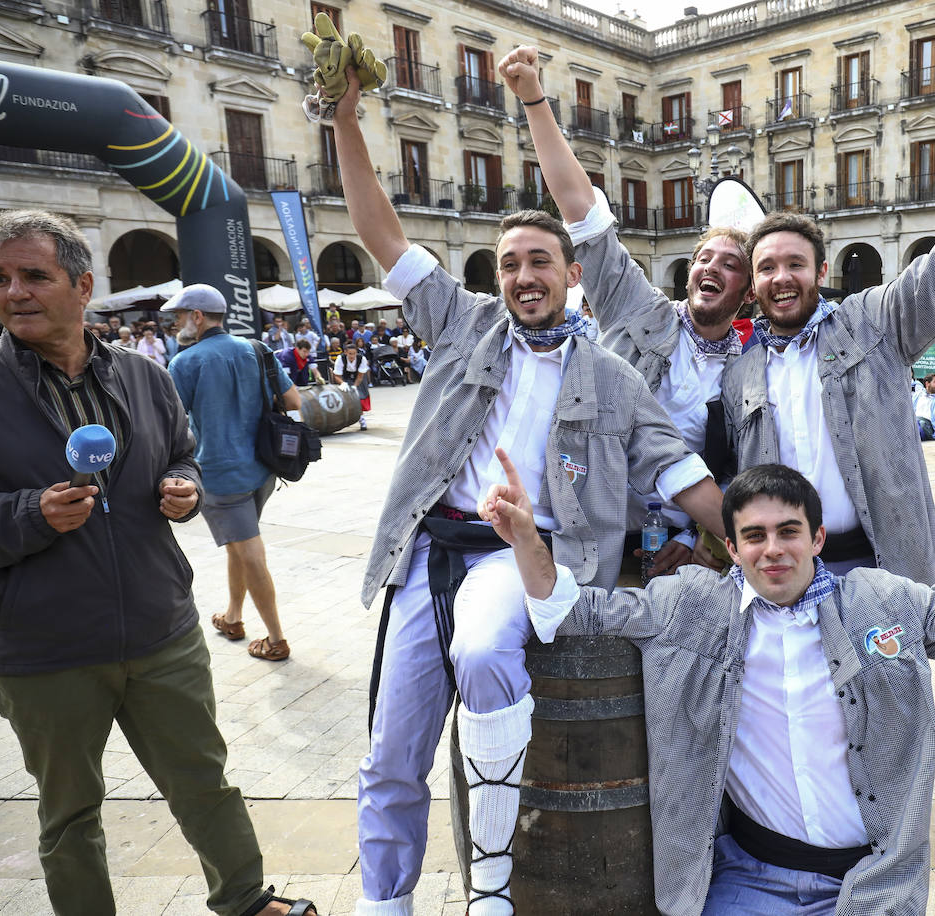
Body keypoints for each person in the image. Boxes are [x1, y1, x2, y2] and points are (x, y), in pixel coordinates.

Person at [326, 63, 729, 916]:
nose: (522, 276)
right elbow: (380, 233)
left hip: (524, 557)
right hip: (428, 552)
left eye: (540, 260)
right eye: (509, 264)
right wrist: (346, 123)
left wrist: (760, 548)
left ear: (572, 274)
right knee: (391, 755)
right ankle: (385, 903)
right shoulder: (462, 324)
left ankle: (492, 887)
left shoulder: (612, 376)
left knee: (482, 654)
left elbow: (683, 474)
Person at [478, 452, 935, 916]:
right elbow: (566, 609)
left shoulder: (881, 601)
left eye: (789, 532)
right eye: (754, 536)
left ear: (817, 537)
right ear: (732, 547)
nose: (773, 550)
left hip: (872, 883)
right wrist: (527, 537)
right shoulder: (691, 608)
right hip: (749, 880)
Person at [0, 210, 316, 916]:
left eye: (33, 275)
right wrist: (29, 514)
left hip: (161, 626)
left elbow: (180, 456)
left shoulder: (145, 375)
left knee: (203, 779)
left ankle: (247, 900)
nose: (13, 292)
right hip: (44, 646)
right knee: (70, 811)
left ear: (82, 286)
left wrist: (184, 488)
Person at [720, 84, 935, 583]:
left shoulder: (872, 322)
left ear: (821, 271)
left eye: (795, 264)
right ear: (753, 283)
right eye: (767, 267)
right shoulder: (739, 372)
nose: (781, 278)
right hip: (783, 580)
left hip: (882, 569)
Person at [500, 45, 754, 575]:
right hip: (586, 535)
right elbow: (581, 212)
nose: (710, 267)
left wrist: (696, 538)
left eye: (730, 264)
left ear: (748, 292)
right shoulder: (640, 311)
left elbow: (746, 470)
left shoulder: (754, 370)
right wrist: (534, 100)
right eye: (703, 257)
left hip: (683, 553)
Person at [166, 284, 304, 662]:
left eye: (179, 316)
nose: (175, 324)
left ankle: (276, 639)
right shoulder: (255, 349)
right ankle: (232, 617)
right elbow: (293, 399)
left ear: (197, 317)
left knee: (249, 551)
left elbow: (169, 424)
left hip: (220, 476)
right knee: (239, 545)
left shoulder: (185, 363)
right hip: (263, 470)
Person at [332, 339, 372, 430]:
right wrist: (342, 383)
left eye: (354, 353)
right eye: (350, 354)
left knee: (359, 397)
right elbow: (336, 376)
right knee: (344, 398)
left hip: (358, 377)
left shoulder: (362, 359)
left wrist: (354, 386)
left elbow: (360, 376)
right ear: (345, 352)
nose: (352, 356)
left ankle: (361, 419)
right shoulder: (340, 359)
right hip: (345, 377)